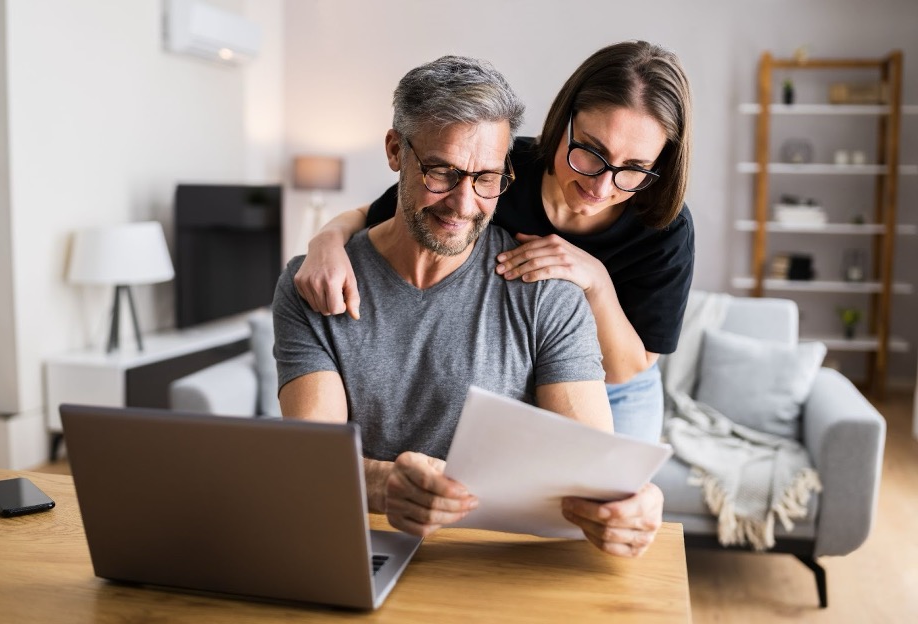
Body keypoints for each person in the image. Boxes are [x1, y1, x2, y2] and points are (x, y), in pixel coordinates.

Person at [274, 55, 663, 558]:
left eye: (487, 178)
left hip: (493, 565)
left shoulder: (547, 290)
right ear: (395, 151)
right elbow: (310, 459)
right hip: (359, 549)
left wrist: (638, 501)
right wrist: (381, 484)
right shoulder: (317, 284)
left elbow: (592, 470)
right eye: (442, 172)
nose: (463, 204)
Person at [293, 41, 695, 444]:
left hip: (618, 387)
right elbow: (379, 214)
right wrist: (326, 241)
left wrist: (595, 280)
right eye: (590, 152)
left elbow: (629, 367)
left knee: (612, 497)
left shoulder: (664, 226)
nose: (601, 185)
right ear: (563, 122)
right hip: (535, 366)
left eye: (635, 168)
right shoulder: (494, 167)